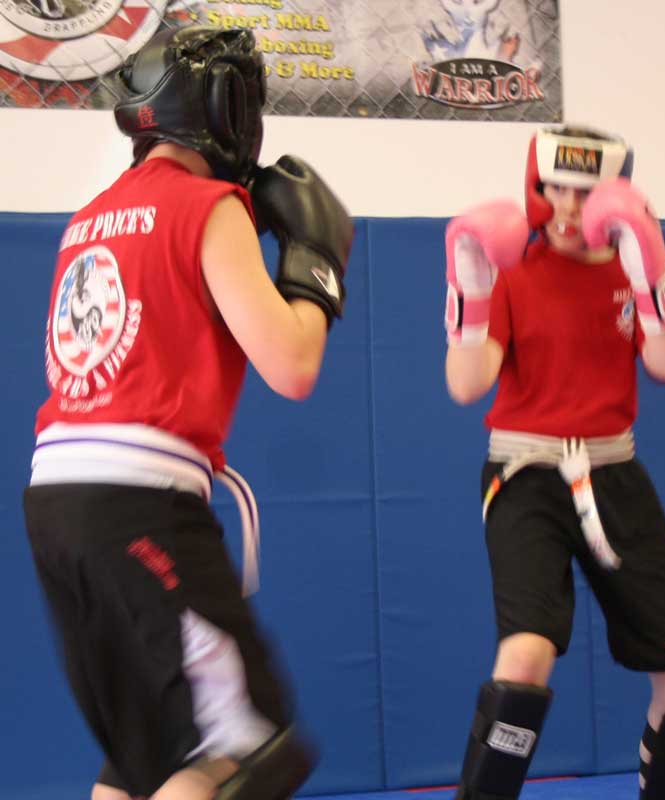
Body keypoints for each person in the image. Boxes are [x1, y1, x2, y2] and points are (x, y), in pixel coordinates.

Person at [22, 24, 353, 800]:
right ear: (217, 109)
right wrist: (317, 266)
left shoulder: (90, 216)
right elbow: (292, 364)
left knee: (149, 758)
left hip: (57, 507)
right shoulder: (210, 206)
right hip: (137, 505)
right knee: (248, 749)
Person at [443, 125, 665, 800]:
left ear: (613, 198)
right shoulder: (511, 266)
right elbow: (466, 383)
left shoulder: (632, 269)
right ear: (535, 190)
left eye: (583, 193)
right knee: (526, 653)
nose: (566, 207)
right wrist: (471, 293)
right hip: (524, 475)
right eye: (554, 189)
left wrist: (651, 274)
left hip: (613, 474)